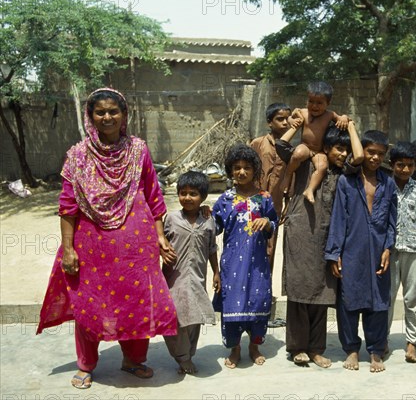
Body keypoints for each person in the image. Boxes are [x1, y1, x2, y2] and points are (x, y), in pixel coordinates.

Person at [36, 88, 178, 389]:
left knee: (138, 300)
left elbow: (153, 194)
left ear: (124, 115)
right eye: (100, 111)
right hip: (92, 244)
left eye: (113, 111)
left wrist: (160, 236)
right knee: (90, 301)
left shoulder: (138, 150)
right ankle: (86, 364)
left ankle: (133, 360)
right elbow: (67, 205)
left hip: (136, 242)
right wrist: (69, 248)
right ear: (91, 117)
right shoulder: (77, 156)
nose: (107, 117)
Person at [276, 121, 364, 368]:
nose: (343, 154)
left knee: (322, 292)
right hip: (301, 232)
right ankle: (297, 348)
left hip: (327, 237)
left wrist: (352, 127)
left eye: (344, 150)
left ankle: (316, 349)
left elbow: (359, 156)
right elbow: (281, 145)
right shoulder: (307, 161)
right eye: (338, 148)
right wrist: (297, 124)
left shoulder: (343, 172)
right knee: (299, 289)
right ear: (326, 146)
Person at [325, 130, 397, 373]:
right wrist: (335, 252)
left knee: (378, 299)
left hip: (378, 249)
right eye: (370, 152)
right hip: (351, 247)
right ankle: (352, 349)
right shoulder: (347, 182)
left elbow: (392, 221)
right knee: (349, 299)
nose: (375, 157)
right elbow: (338, 218)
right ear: (362, 152)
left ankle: (376, 351)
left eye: (380, 153)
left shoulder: (389, 183)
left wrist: (388, 247)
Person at [212, 144, 278, 369]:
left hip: (258, 262)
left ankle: (254, 346)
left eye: (247, 168)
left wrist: (267, 222)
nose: (241, 172)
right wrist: (202, 214)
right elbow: (215, 228)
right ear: (230, 171)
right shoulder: (224, 199)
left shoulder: (264, 198)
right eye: (237, 168)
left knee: (257, 300)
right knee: (233, 302)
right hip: (232, 263)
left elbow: (274, 223)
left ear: (254, 170)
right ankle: (235, 348)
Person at [162, 171, 220, 375]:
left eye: (193, 194)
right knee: (174, 318)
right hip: (173, 279)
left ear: (202, 197)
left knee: (194, 318)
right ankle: (182, 357)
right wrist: (162, 250)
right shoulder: (171, 219)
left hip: (197, 277)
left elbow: (212, 248)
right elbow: (159, 241)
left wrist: (216, 272)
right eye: (183, 193)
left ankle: (188, 355)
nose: (187, 198)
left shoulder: (208, 220)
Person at [387, 141, 416, 363]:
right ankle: (382, 340)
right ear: (392, 164)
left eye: (410, 165)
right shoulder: (384, 185)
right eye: (400, 165)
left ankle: (411, 342)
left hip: (415, 250)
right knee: (387, 298)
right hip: (390, 250)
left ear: (415, 166)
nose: (405, 169)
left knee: (411, 298)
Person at [280, 81, 349, 204]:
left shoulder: (330, 115)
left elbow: (343, 119)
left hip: (319, 151)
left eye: (319, 103)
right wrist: (291, 120)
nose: (314, 106)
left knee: (322, 167)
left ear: (328, 103)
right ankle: (287, 176)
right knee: (298, 154)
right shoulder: (303, 112)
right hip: (306, 146)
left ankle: (310, 190)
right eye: (311, 101)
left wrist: (343, 117)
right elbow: (291, 117)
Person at [250, 103, 291, 270]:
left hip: (275, 204)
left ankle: (265, 289)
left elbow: (291, 178)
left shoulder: (290, 149)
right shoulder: (258, 143)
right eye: (280, 119)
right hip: (254, 201)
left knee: (270, 246)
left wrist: (287, 204)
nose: (285, 123)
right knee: (251, 243)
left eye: (287, 119)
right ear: (269, 122)